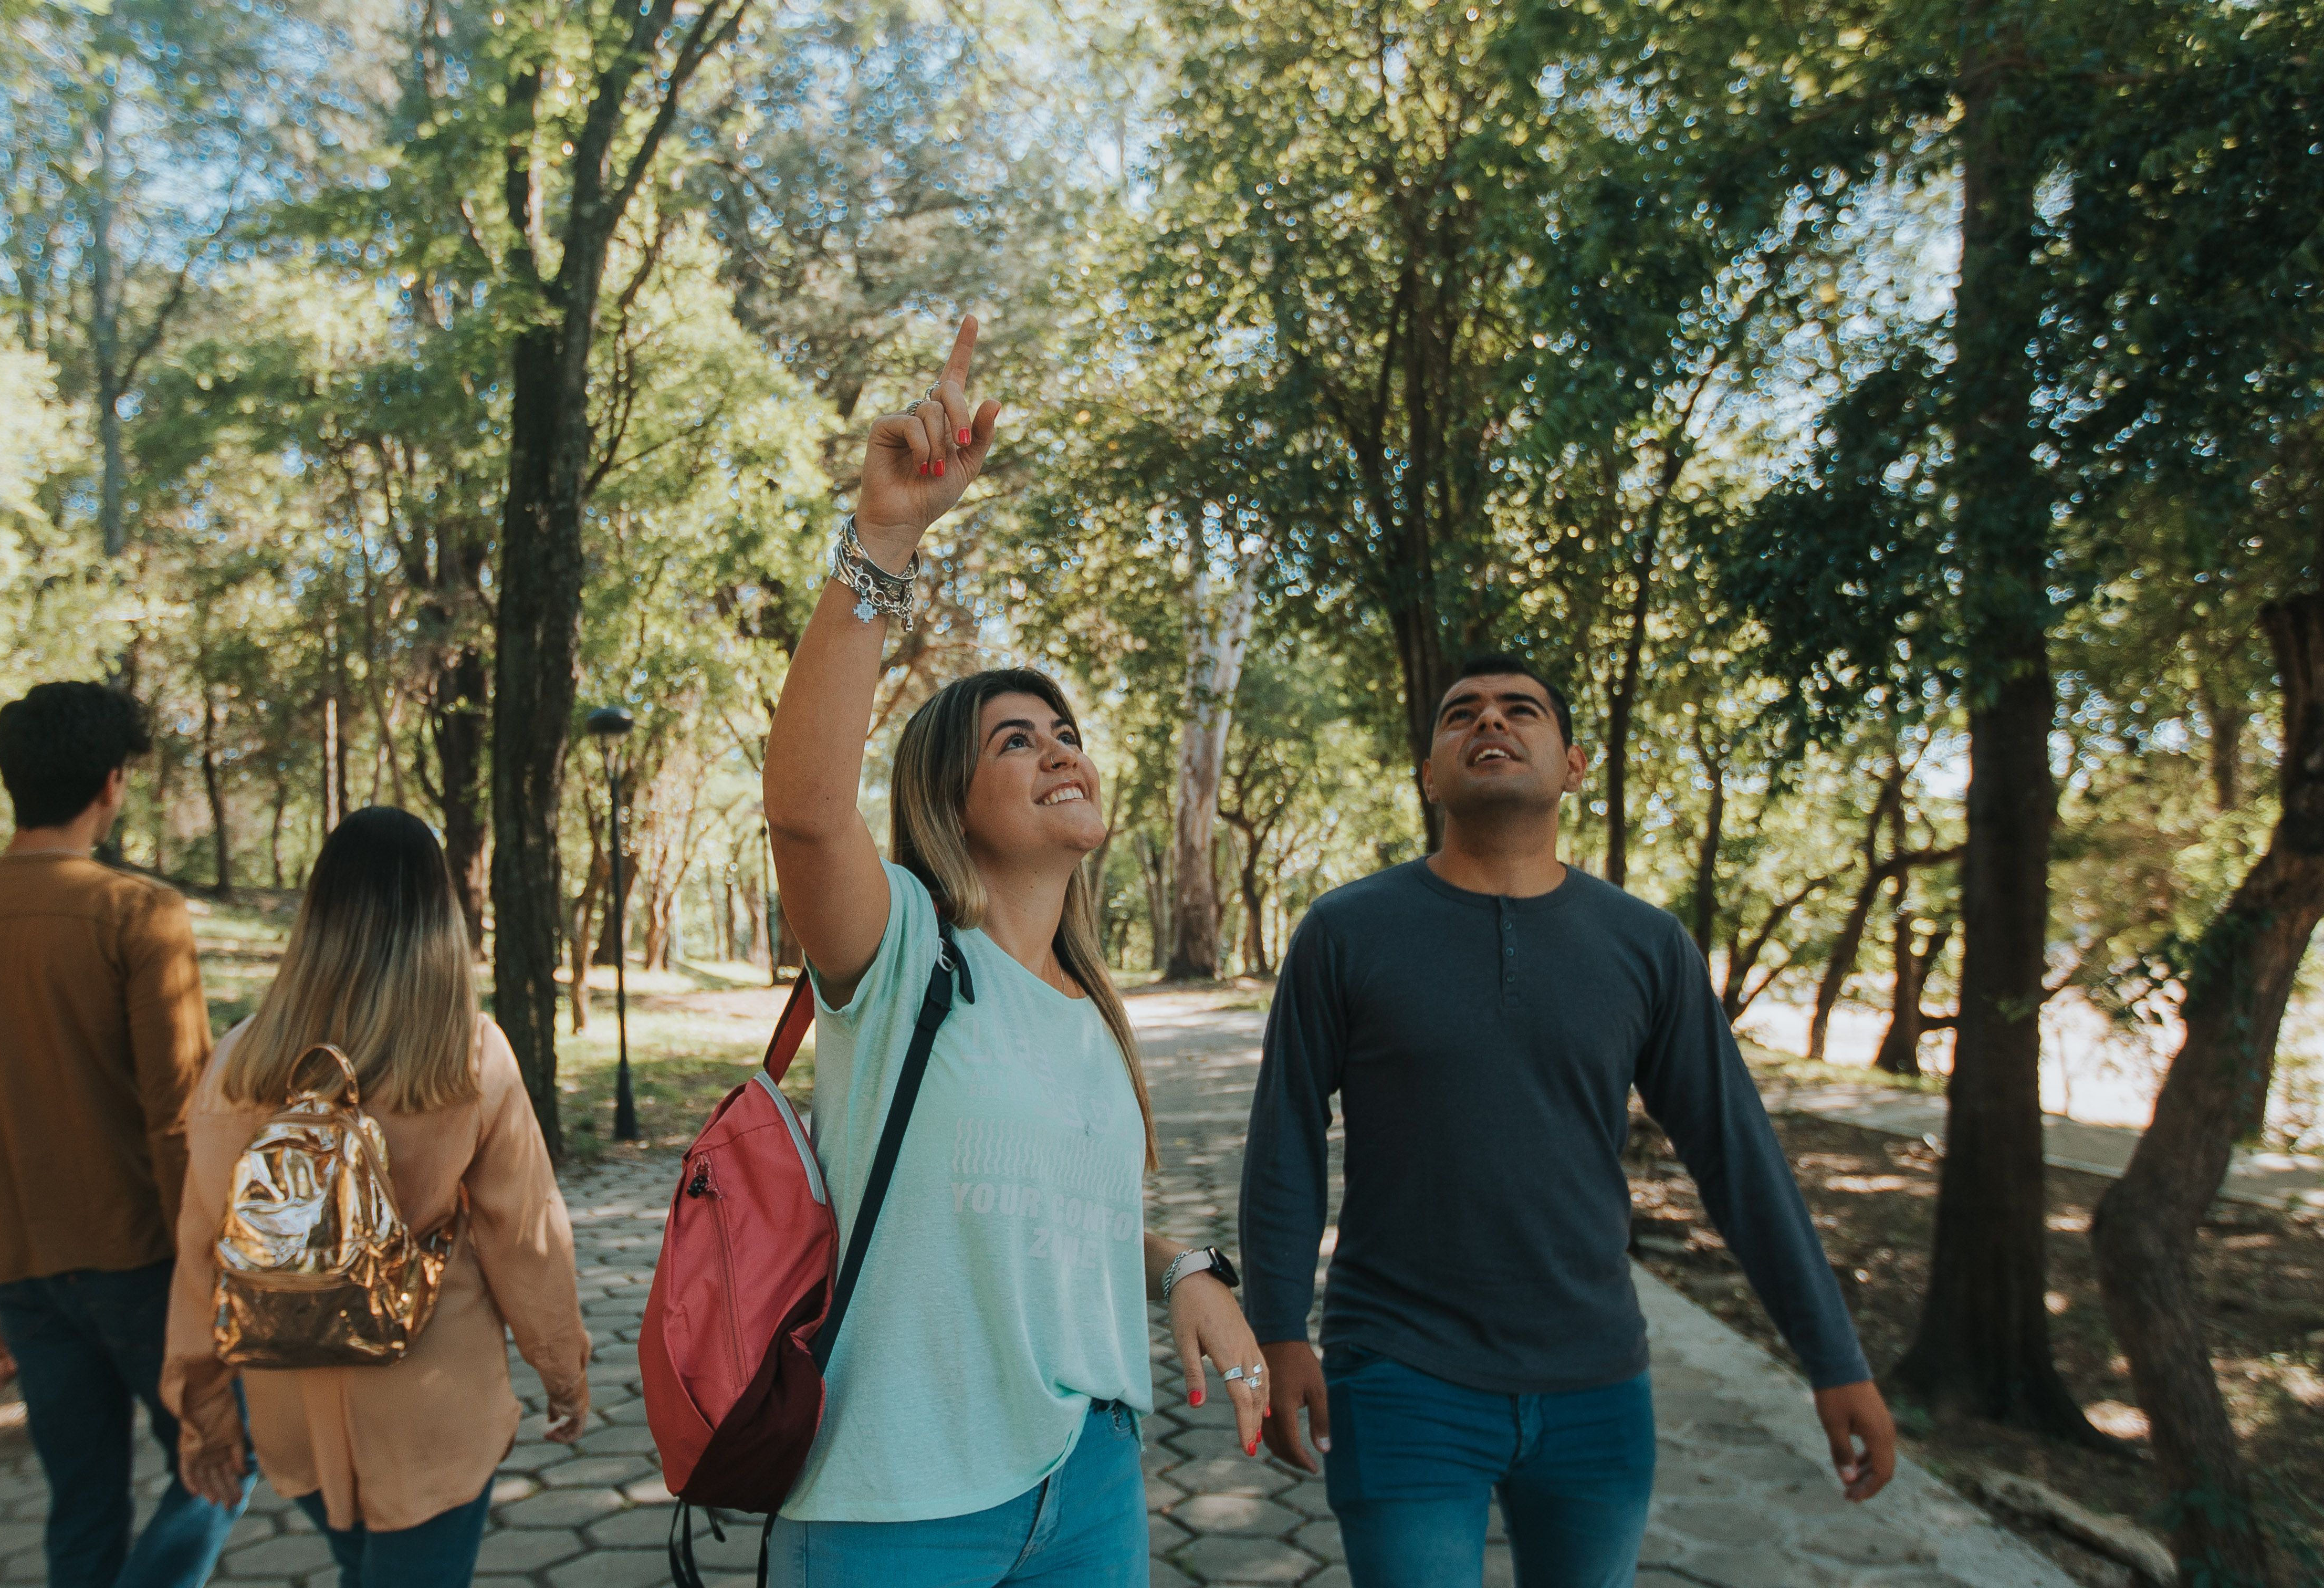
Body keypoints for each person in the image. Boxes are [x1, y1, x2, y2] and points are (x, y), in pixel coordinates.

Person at [761, 315, 1271, 1587]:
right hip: (897, 1501)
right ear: (949, 797)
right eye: (1013, 740)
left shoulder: (1091, 1010)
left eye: (1064, 729)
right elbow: (806, 809)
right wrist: (887, 538)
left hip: (1089, 1482)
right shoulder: (899, 955)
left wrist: (1184, 1270)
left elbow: (1056, 1216)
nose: (1057, 748)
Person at [1238, 655, 1900, 1587]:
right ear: (1430, 773)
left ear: (1575, 763)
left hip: (1597, 1387)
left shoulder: (1648, 946)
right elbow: (1286, 1147)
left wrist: (1835, 1361)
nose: (1490, 723)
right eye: (1461, 714)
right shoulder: (1346, 932)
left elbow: (1738, 1160)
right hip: (1400, 1377)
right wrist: (1277, 1328)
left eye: (1521, 710)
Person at [162, 807, 590, 1588]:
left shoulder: (239, 1063)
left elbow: (203, 1251)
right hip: (431, 1408)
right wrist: (563, 1369)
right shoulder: (464, 1056)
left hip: (289, 1407)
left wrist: (202, 1408)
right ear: (440, 916)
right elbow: (524, 1235)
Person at [0, 681, 249, 1588]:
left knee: (83, 1505)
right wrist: (209, 1271)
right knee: (223, 1458)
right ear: (111, 783)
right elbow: (181, 1115)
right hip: (142, 1263)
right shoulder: (140, 914)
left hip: (21, 1273)